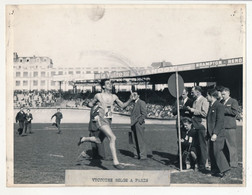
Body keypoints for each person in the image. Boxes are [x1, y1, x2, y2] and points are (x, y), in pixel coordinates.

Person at [78, 79, 133, 169]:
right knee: (112, 137)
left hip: (108, 120)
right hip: (101, 119)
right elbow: (91, 104)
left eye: (111, 83)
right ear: (103, 86)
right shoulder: (98, 95)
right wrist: (86, 103)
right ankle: (116, 162)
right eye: (107, 83)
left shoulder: (114, 97)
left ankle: (83, 139)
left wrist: (130, 99)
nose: (110, 85)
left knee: (99, 140)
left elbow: (123, 106)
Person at [206, 88, 230, 177]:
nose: (206, 97)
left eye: (207, 95)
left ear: (211, 96)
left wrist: (215, 133)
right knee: (212, 153)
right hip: (211, 133)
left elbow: (220, 121)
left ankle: (224, 170)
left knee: (217, 152)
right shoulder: (211, 105)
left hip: (217, 134)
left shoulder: (219, 106)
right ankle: (214, 170)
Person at [187, 86, 209, 173]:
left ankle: (203, 165)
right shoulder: (195, 101)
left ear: (198, 92)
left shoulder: (204, 100)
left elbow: (205, 113)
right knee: (195, 145)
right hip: (195, 125)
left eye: (193, 92)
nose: (191, 93)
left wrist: (193, 110)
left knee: (202, 146)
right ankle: (196, 163)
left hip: (201, 125)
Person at [172, 88, 193, 162]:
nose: (182, 95)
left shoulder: (191, 101)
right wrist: (177, 108)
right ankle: (179, 157)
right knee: (179, 140)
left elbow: (191, 112)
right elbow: (173, 112)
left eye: (184, 94)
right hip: (179, 123)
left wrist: (184, 108)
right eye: (181, 94)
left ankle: (186, 157)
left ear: (187, 93)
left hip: (187, 123)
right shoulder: (177, 101)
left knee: (187, 140)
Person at [221, 87, 239, 168]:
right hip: (222, 127)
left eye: (224, 94)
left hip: (230, 127)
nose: (222, 96)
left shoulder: (233, 101)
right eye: (222, 94)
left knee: (232, 146)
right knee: (224, 146)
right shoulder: (221, 101)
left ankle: (234, 163)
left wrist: (223, 109)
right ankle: (226, 161)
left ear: (228, 93)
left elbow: (234, 112)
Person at [130, 90, 147, 160]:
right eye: (133, 95)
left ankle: (142, 155)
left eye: (135, 94)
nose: (133, 96)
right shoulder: (134, 103)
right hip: (133, 124)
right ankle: (136, 154)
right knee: (133, 140)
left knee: (140, 140)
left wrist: (139, 122)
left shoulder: (141, 102)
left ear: (138, 96)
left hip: (138, 124)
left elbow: (144, 114)